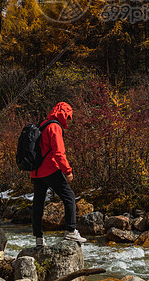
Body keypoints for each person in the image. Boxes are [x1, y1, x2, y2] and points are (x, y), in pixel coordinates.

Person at [31, 101, 86, 246]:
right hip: (50, 170)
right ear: (64, 113)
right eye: (68, 116)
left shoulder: (41, 125)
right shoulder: (54, 127)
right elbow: (59, 153)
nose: (68, 120)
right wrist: (68, 171)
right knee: (69, 196)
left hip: (36, 172)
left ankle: (38, 238)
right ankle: (71, 231)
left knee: (38, 204)